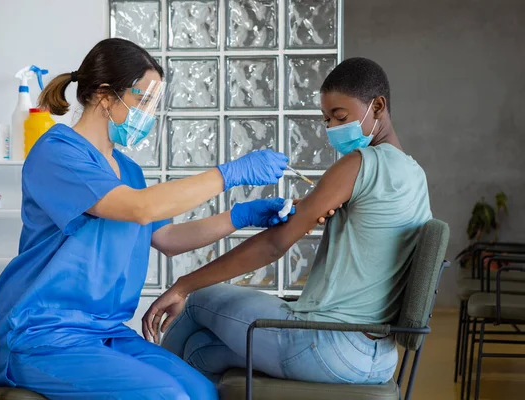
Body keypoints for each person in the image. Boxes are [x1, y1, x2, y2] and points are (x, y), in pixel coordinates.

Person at [0, 38, 323, 400]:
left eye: (153, 103)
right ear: (104, 95)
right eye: (141, 101)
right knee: (166, 397)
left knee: (203, 392)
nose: (148, 114)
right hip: (41, 333)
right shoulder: (57, 153)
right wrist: (229, 174)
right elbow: (138, 208)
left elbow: (167, 238)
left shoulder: (128, 170)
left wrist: (243, 215)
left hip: (105, 332)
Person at [144, 57, 433, 385]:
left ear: (378, 106)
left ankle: (149, 390)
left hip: (326, 343)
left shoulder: (358, 163)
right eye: (327, 121)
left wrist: (182, 286)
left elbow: (274, 244)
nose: (334, 130)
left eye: (341, 117)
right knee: (200, 351)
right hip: (376, 356)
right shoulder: (414, 175)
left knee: (195, 302)